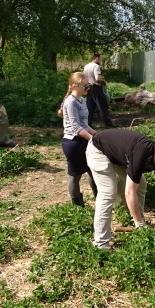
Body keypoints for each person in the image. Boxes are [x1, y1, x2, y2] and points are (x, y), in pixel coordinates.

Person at [86, 128, 155, 250]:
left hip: (117, 154)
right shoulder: (141, 154)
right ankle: (101, 243)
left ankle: (136, 222)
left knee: (141, 184)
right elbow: (130, 192)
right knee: (108, 193)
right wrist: (139, 222)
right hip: (99, 150)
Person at [58, 72, 98, 207]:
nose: (87, 88)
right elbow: (76, 127)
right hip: (73, 142)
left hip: (83, 139)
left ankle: (99, 200)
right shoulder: (71, 102)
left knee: (92, 170)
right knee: (75, 175)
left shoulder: (82, 100)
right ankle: (77, 206)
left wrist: (98, 135)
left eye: (88, 85)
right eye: (84, 86)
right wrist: (93, 139)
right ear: (74, 86)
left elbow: (84, 125)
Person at [83, 52, 113, 128]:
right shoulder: (96, 66)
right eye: (100, 58)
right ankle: (108, 123)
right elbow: (97, 78)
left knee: (90, 107)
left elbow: (84, 78)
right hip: (96, 87)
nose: (100, 60)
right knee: (102, 105)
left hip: (88, 87)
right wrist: (103, 80)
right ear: (96, 58)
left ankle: (88, 124)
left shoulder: (86, 66)